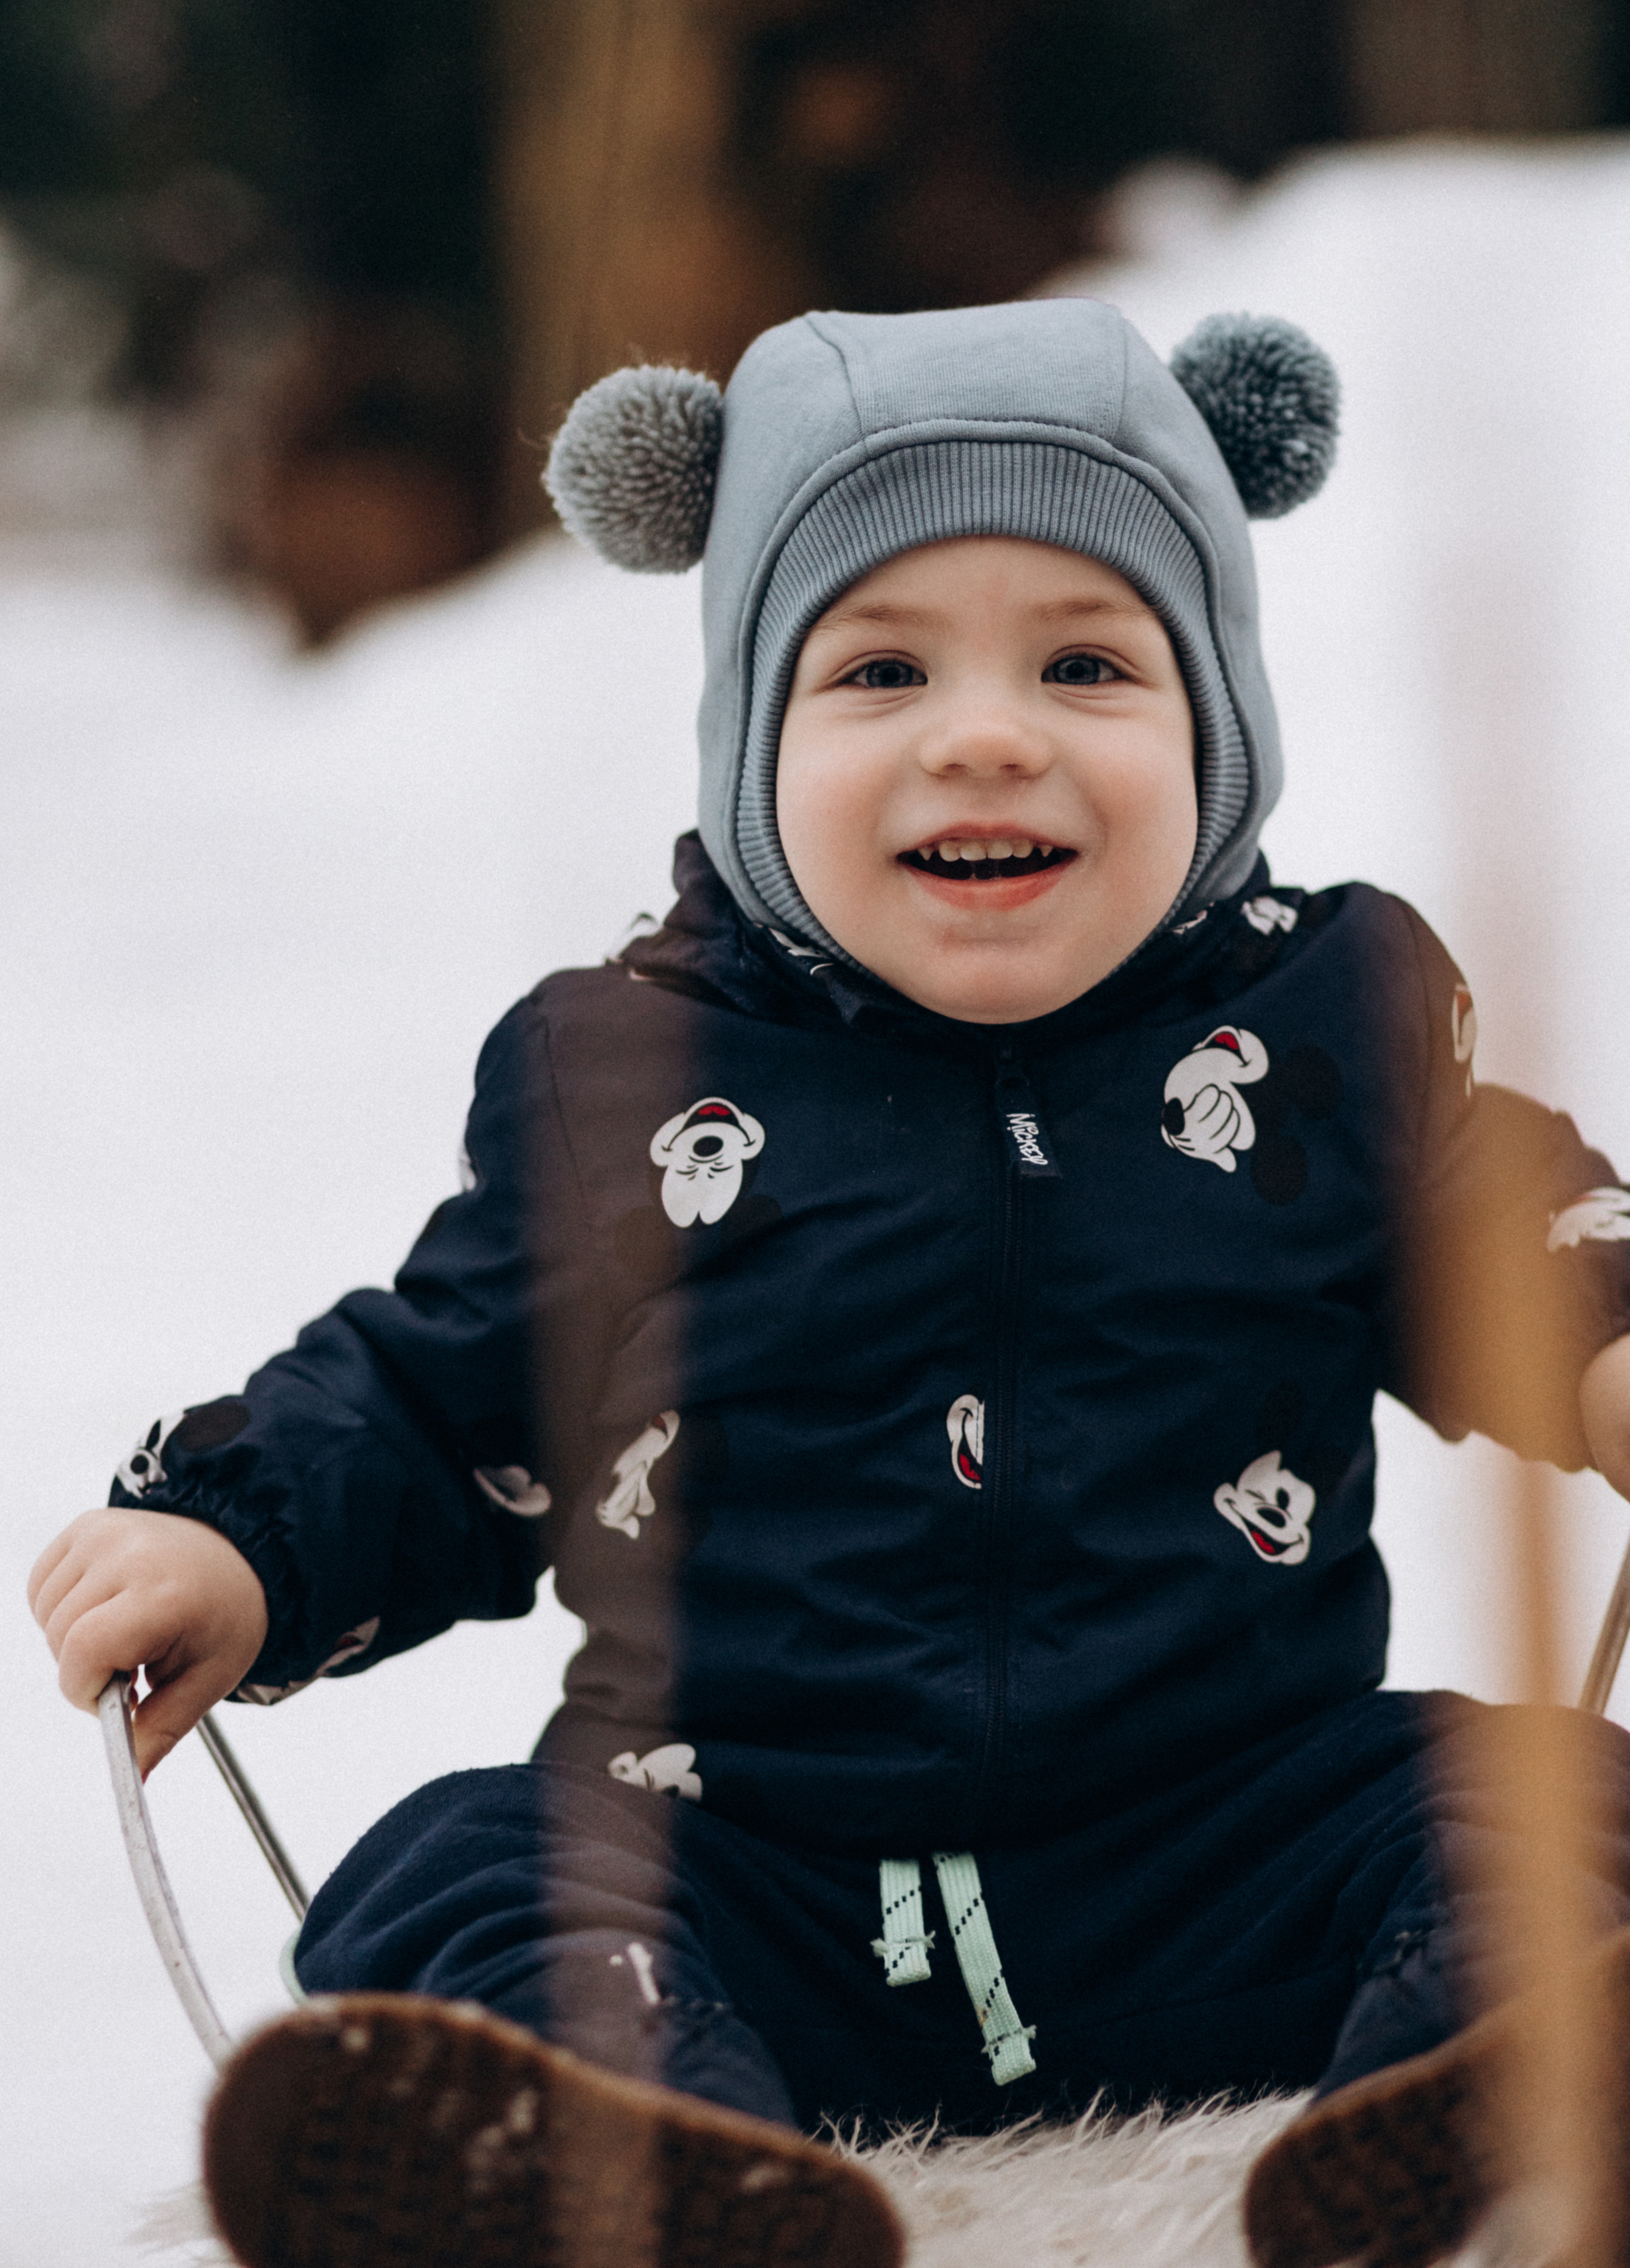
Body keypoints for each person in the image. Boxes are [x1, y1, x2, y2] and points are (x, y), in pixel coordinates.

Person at [29, 299, 1630, 2268]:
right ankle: (648, 2162)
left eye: (1087, 662)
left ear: (1217, 724)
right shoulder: (628, 1078)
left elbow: (1513, 1224)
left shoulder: (1321, 1037)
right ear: (749, 737)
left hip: (1238, 1847)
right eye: (879, 666)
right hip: (743, 1876)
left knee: (1538, 1806)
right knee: (458, 1872)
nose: (989, 731)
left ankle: (1471, 2112)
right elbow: (447, 1390)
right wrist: (242, 1535)